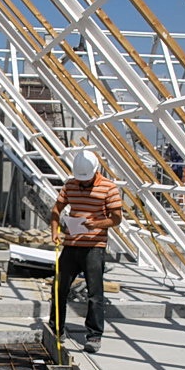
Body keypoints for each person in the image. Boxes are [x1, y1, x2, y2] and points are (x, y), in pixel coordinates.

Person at [49, 149, 122, 353]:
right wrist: (55, 231)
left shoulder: (109, 188)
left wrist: (97, 223)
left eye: (86, 181)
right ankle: (56, 327)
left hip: (94, 246)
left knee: (95, 293)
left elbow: (116, 218)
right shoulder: (71, 185)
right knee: (59, 288)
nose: (82, 184)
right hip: (71, 245)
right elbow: (56, 210)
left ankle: (94, 335)